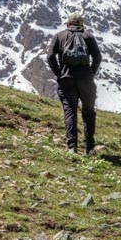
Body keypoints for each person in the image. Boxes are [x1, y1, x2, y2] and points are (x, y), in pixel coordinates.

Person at [46, 12, 102, 155]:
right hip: (86, 78)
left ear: (68, 24)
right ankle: (89, 148)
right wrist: (91, 72)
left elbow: (50, 56)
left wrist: (59, 73)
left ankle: (72, 147)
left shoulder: (59, 36)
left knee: (70, 111)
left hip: (66, 78)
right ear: (82, 25)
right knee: (88, 112)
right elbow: (97, 57)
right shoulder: (88, 36)